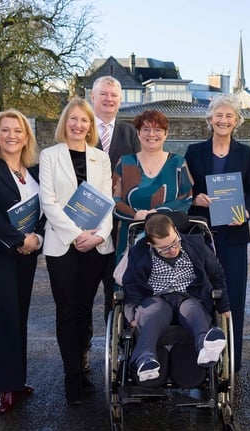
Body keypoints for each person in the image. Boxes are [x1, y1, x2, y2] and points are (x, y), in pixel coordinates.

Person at [40, 98, 114, 405]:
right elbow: (48, 201)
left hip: (96, 245)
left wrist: (100, 235)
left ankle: (83, 371)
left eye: (84, 120)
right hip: (62, 245)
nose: (78, 125)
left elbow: (108, 200)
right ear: (64, 122)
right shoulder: (49, 156)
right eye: (73, 119)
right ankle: (71, 376)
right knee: (67, 311)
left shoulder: (101, 158)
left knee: (84, 310)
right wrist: (75, 235)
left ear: (90, 126)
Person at [0, 109, 45, 414]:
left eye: (18, 130)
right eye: (5, 130)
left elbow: (45, 212)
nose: (11, 135)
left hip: (27, 253)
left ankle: (18, 380)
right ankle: (6, 387)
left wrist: (36, 239)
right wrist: (19, 240)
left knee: (19, 315)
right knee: (5, 317)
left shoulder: (35, 171)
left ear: (26, 137)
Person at [185, 94, 250, 373]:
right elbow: (185, 189)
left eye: (229, 116)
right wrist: (195, 198)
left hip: (234, 237)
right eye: (219, 115)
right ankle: (202, 360)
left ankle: (232, 362)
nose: (224, 120)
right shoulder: (194, 152)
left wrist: (246, 213)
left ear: (236, 121)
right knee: (200, 297)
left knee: (233, 298)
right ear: (210, 119)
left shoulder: (245, 153)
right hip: (201, 236)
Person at [122, 213, 230, 382]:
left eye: (174, 242)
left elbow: (217, 275)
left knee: (193, 310)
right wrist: (131, 317)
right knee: (153, 312)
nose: (172, 250)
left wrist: (224, 307)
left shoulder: (196, 245)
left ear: (175, 231)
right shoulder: (140, 251)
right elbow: (131, 286)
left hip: (189, 295)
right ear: (151, 244)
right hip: (157, 297)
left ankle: (206, 348)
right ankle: (146, 360)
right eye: (164, 248)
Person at [85, 75, 140, 372]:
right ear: (93, 97)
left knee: (116, 293)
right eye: (103, 94)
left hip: (120, 228)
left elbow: (138, 174)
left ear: (120, 100)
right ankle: (81, 354)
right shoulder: (80, 127)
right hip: (86, 226)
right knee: (81, 298)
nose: (109, 99)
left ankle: (116, 353)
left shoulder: (130, 133)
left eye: (114, 95)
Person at [112, 109, 193, 259]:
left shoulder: (178, 163)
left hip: (168, 242)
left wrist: (157, 213)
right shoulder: (125, 163)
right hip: (130, 240)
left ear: (166, 134)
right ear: (138, 133)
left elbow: (186, 198)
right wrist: (135, 214)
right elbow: (114, 200)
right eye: (146, 129)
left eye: (158, 129)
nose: (151, 134)